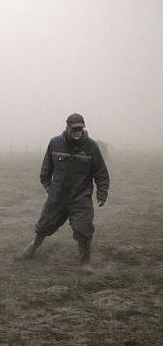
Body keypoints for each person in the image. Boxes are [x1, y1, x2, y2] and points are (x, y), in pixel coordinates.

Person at [22, 113, 109, 272]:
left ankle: (85, 263)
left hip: (81, 197)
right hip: (57, 196)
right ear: (67, 127)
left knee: (84, 228)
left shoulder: (91, 146)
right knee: (44, 225)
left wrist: (102, 193)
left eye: (80, 128)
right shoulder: (55, 143)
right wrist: (48, 186)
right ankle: (33, 246)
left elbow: (101, 172)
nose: (78, 132)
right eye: (74, 129)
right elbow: (46, 168)